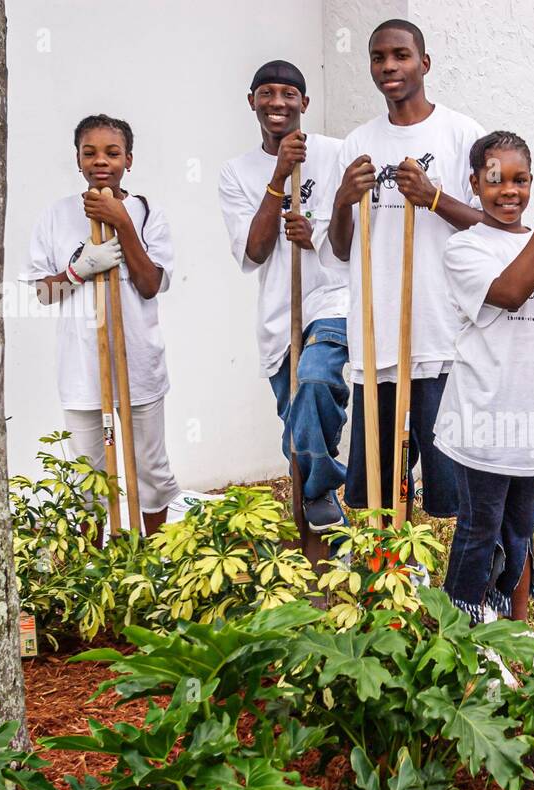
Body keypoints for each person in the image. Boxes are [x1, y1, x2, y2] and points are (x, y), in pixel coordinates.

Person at [320, 19, 486, 522]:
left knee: (452, 493)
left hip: (444, 337)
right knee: (378, 488)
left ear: (424, 63)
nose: (389, 66)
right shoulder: (358, 142)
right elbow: (342, 250)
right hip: (379, 339)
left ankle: (458, 591)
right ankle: (388, 576)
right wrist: (343, 201)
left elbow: (495, 228)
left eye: (401, 55)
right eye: (378, 57)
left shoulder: (463, 135)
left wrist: (433, 198)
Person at [436, 131, 534, 624]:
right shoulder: (466, 248)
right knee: (481, 528)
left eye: (521, 180)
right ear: (475, 183)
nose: (509, 191)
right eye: (496, 179)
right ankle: (460, 629)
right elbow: (509, 292)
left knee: (521, 530)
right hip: (483, 415)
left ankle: (513, 630)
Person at [28, 114, 180, 537]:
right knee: (90, 478)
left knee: (151, 470)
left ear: (128, 159)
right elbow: (43, 293)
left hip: (139, 363)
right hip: (81, 367)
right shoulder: (56, 216)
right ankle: (98, 570)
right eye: (89, 152)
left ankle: (151, 559)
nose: (101, 161)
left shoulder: (147, 212)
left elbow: (150, 284)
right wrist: (78, 270)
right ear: (77, 160)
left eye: (112, 152)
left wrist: (122, 222)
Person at [219, 60, 350, 530]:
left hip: (332, 300)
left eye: (289, 94)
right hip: (279, 316)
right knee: (298, 432)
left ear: (305, 104)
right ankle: (319, 542)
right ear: (252, 100)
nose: (278, 103)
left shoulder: (335, 153)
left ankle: (320, 491)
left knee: (315, 381)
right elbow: (254, 251)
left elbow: (352, 238)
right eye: (267, 93)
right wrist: (278, 177)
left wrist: (313, 232)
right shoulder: (235, 173)